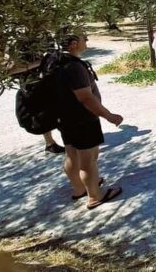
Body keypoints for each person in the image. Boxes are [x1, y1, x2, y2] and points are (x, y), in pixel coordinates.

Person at [57, 32, 124, 209]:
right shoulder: (74, 67)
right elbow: (86, 98)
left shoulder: (54, 60)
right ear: (72, 44)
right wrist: (109, 116)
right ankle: (95, 196)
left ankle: (79, 189)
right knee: (89, 159)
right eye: (83, 39)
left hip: (65, 116)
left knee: (71, 154)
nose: (87, 41)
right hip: (83, 118)